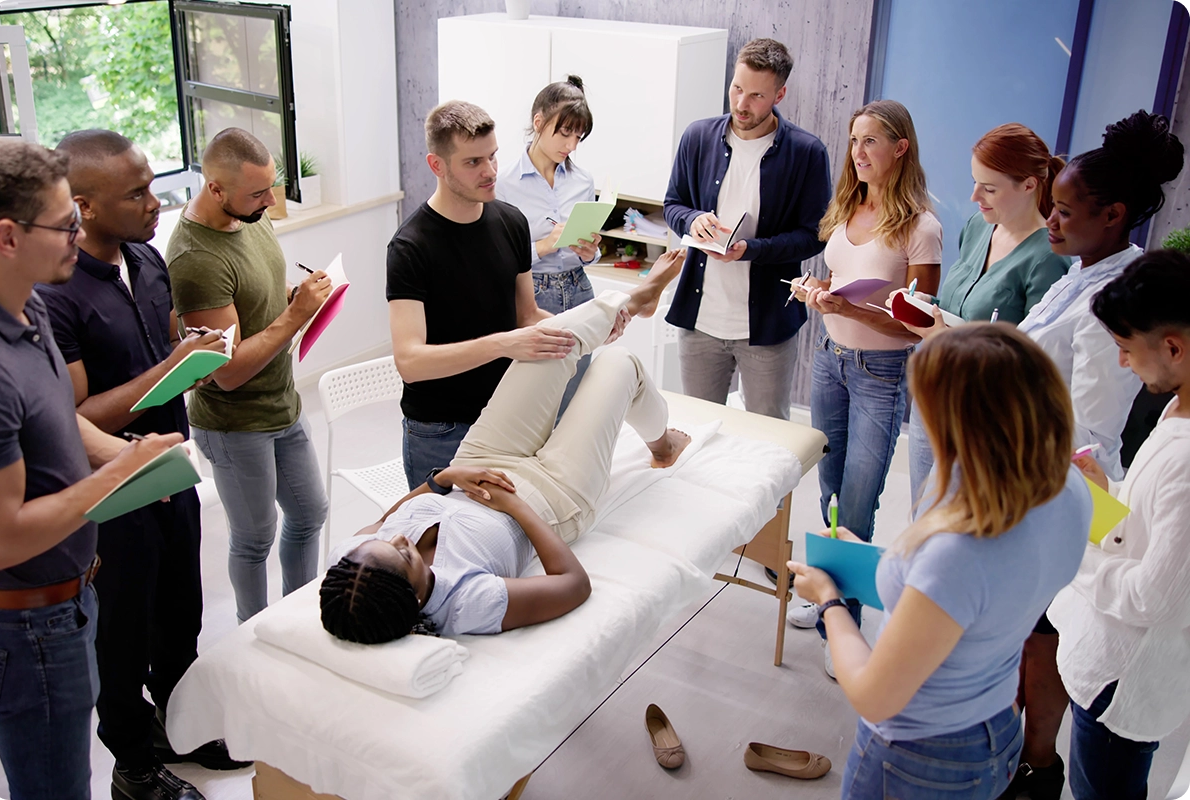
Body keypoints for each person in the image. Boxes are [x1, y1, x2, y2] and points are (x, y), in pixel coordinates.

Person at [787, 323, 1092, 800]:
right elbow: (975, 600)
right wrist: (883, 564)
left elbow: (874, 695)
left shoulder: (958, 550)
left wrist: (830, 601)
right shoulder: (1071, 491)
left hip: (918, 757)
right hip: (994, 725)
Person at [322, 251, 686, 642]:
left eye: (386, 542)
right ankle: (662, 446)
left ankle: (632, 302)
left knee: (546, 344)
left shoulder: (352, 565)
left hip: (476, 463)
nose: (397, 538)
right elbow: (573, 585)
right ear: (415, 594)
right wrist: (513, 504)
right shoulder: (464, 602)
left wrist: (441, 479)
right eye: (405, 553)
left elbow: (383, 521)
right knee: (619, 364)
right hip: (554, 496)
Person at [37, 130, 248, 800]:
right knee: (123, 632)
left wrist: (196, 351)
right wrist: (172, 367)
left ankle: (180, 724)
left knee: (180, 609)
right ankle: (133, 762)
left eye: (153, 186)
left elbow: (163, 356)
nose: (154, 203)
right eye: (135, 194)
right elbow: (78, 417)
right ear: (85, 207)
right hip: (112, 491)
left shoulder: (149, 262)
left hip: (172, 468)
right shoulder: (57, 297)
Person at [0, 139, 183, 800]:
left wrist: (126, 455)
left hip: (72, 592)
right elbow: (2, 535)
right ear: (8, 237)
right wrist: (116, 478)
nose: (79, 233)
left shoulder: (31, 302)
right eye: (65, 222)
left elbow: (59, 418)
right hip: (24, 623)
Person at [1007, 109, 1184, 800]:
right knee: (1036, 633)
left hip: (1067, 487)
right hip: (1050, 479)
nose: (1049, 222)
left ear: (1113, 215)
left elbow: (1091, 429)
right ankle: (1034, 757)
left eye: (1063, 211)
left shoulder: (1116, 298)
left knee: (1045, 634)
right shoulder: (1078, 272)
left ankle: (1036, 761)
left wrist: (1080, 541)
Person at [787, 100, 942, 659]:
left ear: (900, 148)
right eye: (854, 141)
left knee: (858, 498)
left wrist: (849, 311)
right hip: (829, 358)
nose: (857, 153)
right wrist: (818, 292)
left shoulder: (922, 228)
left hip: (880, 370)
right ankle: (831, 596)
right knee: (828, 487)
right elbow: (845, 278)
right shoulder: (848, 207)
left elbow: (920, 324)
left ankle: (844, 624)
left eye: (870, 141)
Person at [387, 100, 602, 489]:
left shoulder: (511, 222)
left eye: (493, 156)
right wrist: (506, 344)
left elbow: (528, 316)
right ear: (437, 165)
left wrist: (588, 326)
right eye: (473, 162)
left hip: (506, 413)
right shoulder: (410, 247)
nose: (489, 172)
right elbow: (410, 362)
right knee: (438, 542)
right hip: (441, 429)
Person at [167, 128, 332, 623]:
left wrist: (289, 296)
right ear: (216, 189)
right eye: (257, 193)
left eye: (271, 187)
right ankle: (253, 634)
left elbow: (256, 292)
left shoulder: (251, 215)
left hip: (281, 403)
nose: (270, 201)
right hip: (235, 423)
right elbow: (230, 372)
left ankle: (298, 618)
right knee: (255, 536)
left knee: (309, 514)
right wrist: (297, 314)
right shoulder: (196, 257)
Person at [1043, 250, 1190, 800]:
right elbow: (1150, 531)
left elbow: (1155, 596)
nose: (1124, 364)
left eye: (1127, 349)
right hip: (1112, 662)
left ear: (1172, 346)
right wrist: (1105, 498)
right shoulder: (1178, 406)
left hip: (1123, 678)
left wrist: (1072, 550)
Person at [663, 37, 831, 421]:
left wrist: (751, 249)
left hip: (767, 328)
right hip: (700, 322)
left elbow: (814, 236)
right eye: (737, 88)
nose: (741, 104)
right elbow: (673, 204)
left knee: (767, 444)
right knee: (698, 433)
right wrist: (693, 220)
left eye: (756, 95)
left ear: (780, 93)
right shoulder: (698, 137)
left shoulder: (807, 153)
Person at [903, 123, 1071, 503]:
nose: (975, 195)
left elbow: (1033, 361)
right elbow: (958, 304)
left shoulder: (1048, 259)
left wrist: (947, 338)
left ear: (1030, 185)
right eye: (976, 182)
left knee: (956, 523)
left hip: (981, 416)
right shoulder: (980, 226)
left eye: (989, 188)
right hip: (934, 393)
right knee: (921, 511)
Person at [495, 76, 605, 417]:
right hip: (532, 294)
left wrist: (590, 253)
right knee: (533, 399)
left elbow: (587, 249)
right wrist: (543, 246)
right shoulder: (503, 184)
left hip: (578, 289)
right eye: (564, 133)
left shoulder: (583, 181)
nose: (570, 145)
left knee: (577, 395)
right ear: (538, 122)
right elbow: (496, 258)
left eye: (578, 136)